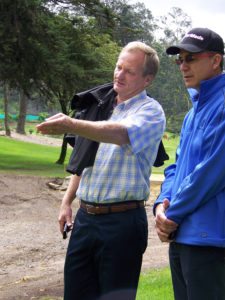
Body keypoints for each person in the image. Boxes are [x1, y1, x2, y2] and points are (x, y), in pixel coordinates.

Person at [37, 41, 165, 300]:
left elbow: (121, 134)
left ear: (147, 79)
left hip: (122, 222)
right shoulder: (101, 106)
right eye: (118, 67)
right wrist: (66, 201)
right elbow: (84, 158)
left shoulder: (151, 112)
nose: (119, 74)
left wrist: (71, 123)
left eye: (129, 71)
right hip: (85, 220)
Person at [154, 27, 225, 300]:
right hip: (182, 236)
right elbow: (176, 166)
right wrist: (162, 203)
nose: (183, 66)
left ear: (216, 60)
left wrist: (171, 216)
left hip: (211, 240)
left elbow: (211, 173)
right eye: (179, 60)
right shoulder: (192, 114)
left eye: (191, 59)